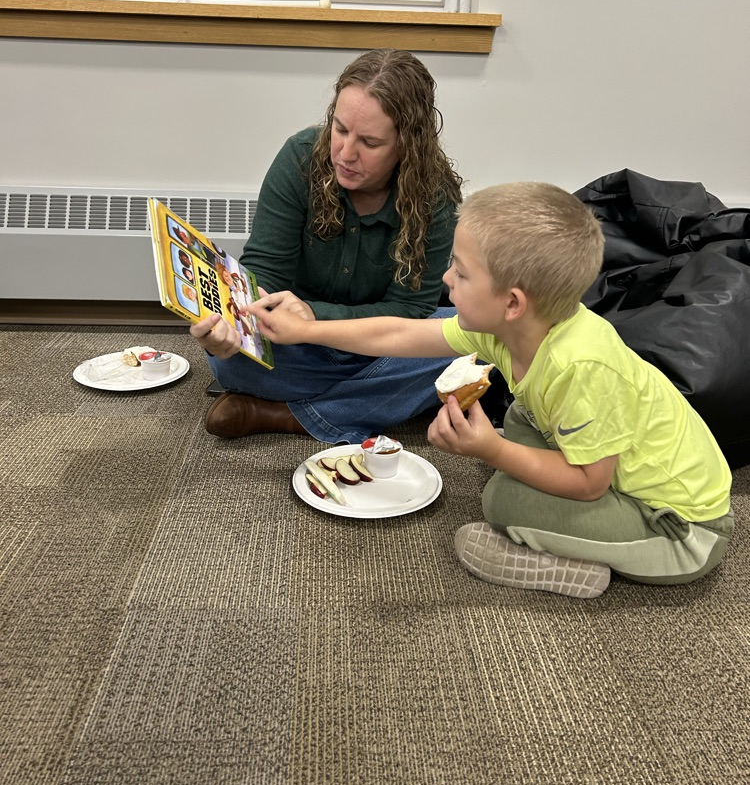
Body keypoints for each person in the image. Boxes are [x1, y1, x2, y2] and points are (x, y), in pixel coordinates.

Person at [247, 181, 735, 599]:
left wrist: (492, 450)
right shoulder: (508, 328)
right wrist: (307, 330)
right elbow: (399, 335)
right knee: (521, 416)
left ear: (513, 302)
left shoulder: (580, 365)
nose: (445, 279)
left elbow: (590, 484)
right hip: (613, 474)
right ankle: (550, 511)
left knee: (502, 501)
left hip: (679, 530)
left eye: (460, 271)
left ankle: (571, 568)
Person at [190, 49, 464, 443]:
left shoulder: (434, 195)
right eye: (339, 129)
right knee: (230, 365)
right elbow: (264, 271)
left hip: (382, 341)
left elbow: (410, 311)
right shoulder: (300, 158)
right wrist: (232, 328)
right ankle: (373, 399)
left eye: (369, 142)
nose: (345, 153)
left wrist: (314, 318)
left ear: (407, 145)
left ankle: (287, 415)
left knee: (480, 338)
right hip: (296, 343)